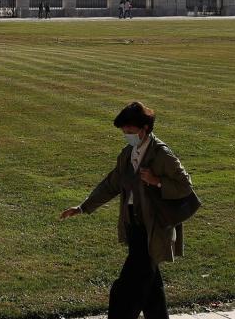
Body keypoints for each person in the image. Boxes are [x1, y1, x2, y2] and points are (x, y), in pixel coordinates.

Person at [60, 101, 194, 319]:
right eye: (124, 131)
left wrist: (157, 180)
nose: (126, 134)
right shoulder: (128, 154)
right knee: (151, 292)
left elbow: (186, 186)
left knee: (125, 290)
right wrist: (83, 207)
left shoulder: (161, 155)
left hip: (153, 229)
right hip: (133, 226)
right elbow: (111, 184)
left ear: (145, 129)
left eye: (130, 131)